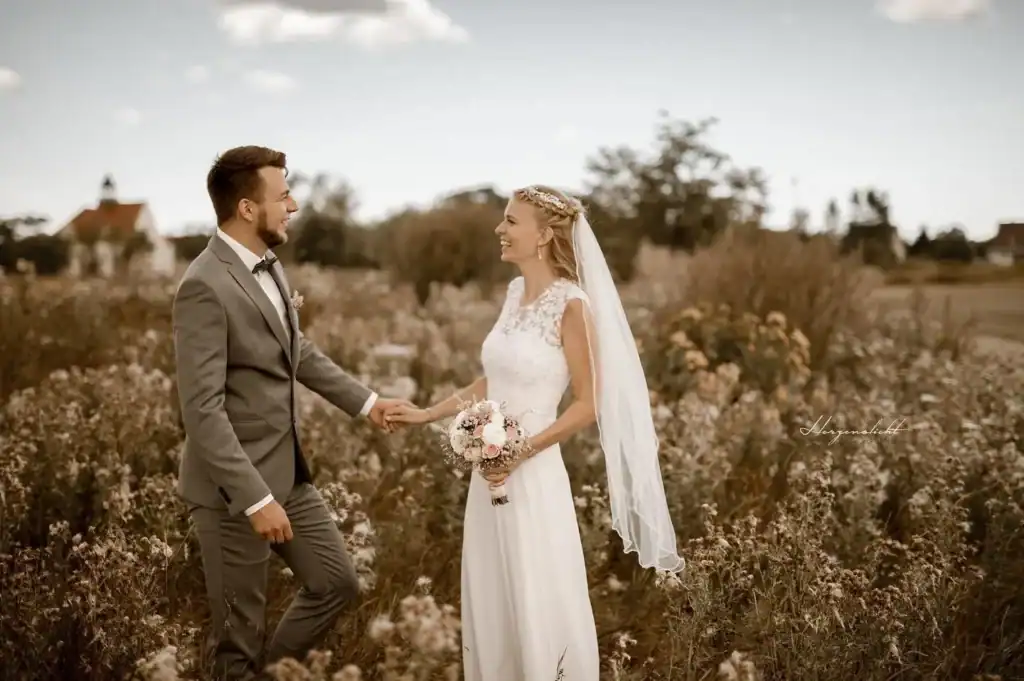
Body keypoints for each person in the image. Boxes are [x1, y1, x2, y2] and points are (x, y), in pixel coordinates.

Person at [385, 184, 685, 680]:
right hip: (488, 473)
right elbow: (493, 381)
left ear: (544, 235)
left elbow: (588, 403)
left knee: (534, 591)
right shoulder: (513, 293)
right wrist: (426, 414)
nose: (499, 229)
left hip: (533, 474)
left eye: (510, 221)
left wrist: (522, 450)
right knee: (493, 590)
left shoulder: (573, 305)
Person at [172, 145, 412, 680]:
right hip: (232, 491)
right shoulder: (203, 285)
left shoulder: (270, 265)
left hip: (288, 472)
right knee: (238, 638)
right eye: (282, 196)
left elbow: (294, 349)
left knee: (335, 582)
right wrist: (255, 499)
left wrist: (368, 403)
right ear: (247, 208)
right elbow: (202, 410)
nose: (294, 206)